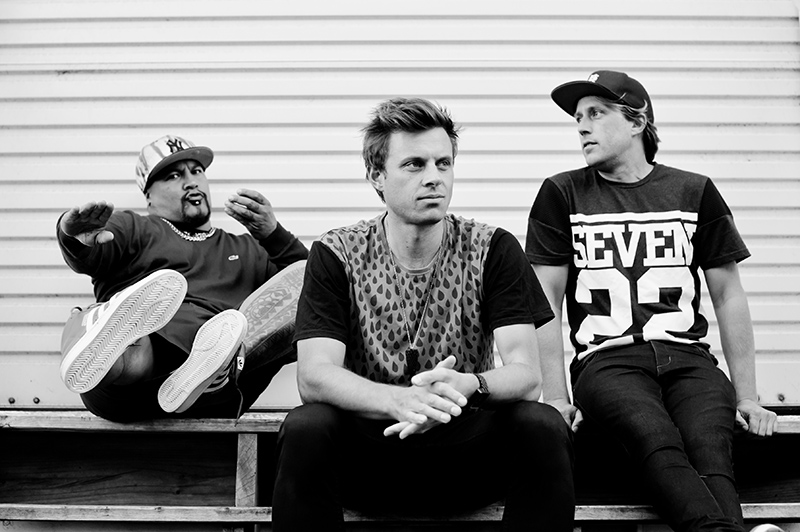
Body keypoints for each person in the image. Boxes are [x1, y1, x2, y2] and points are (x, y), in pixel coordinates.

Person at [272, 98, 575, 531]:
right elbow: (314, 376)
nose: (434, 177)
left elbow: (527, 374)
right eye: (414, 164)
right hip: (369, 461)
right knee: (306, 425)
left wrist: (470, 385)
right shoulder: (337, 252)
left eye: (443, 163)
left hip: (466, 457)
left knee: (541, 423)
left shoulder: (492, 248)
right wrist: (398, 401)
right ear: (377, 177)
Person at [526, 70, 780, 532]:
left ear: (637, 121)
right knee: (653, 433)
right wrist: (556, 396)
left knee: (707, 440)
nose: (581, 126)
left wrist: (747, 395)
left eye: (596, 114)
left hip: (690, 359)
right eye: (577, 118)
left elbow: (727, 294)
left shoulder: (694, 189)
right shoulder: (562, 192)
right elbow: (545, 300)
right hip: (607, 362)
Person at [57, 135, 308, 421]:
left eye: (197, 171)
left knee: (300, 294)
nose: (192, 182)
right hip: (127, 387)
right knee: (131, 347)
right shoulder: (135, 228)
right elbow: (89, 251)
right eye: (175, 175)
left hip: (216, 392)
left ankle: (216, 363)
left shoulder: (250, 250)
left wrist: (274, 236)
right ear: (148, 194)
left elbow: (314, 290)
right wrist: (75, 238)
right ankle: (93, 336)